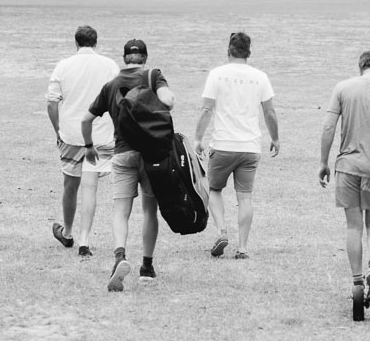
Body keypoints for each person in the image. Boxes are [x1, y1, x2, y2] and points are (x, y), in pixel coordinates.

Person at [84, 38, 175, 292]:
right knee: (149, 209)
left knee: (120, 210)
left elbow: (86, 119)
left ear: (125, 58)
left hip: (123, 153)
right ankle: (147, 267)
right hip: (151, 155)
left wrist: (89, 146)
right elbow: (168, 101)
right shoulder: (153, 76)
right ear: (145, 57)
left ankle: (120, 255)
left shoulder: (112, 85)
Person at [318, 49, 370, 303]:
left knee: (353, 226)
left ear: (361, 67)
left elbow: (328, 126)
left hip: (347, 167)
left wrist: (323, 162)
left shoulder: (343, 88)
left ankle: (357, 281)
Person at [194, 31, 280, 260]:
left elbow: (206, 109)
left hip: (222, 145)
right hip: (250, 147)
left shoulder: (216, 75)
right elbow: (269, 111)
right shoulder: (260, 77)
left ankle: (222, 230)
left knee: (213, 189)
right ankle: (242, 247)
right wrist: (275, 137)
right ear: (248, 52)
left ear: (229, 50)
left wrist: (197, 139)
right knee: (245, 197)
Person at [46, 24, 119, 257]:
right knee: (91, 188)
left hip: (72, 135)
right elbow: (120, 101)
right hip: (102, 135)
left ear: (76, 43)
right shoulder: (110, 65)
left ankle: (68, 233)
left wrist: (57, 128)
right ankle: (85, 239)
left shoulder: (64, 65)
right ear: (96, 43)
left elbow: (51, 102)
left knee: (71, 185)